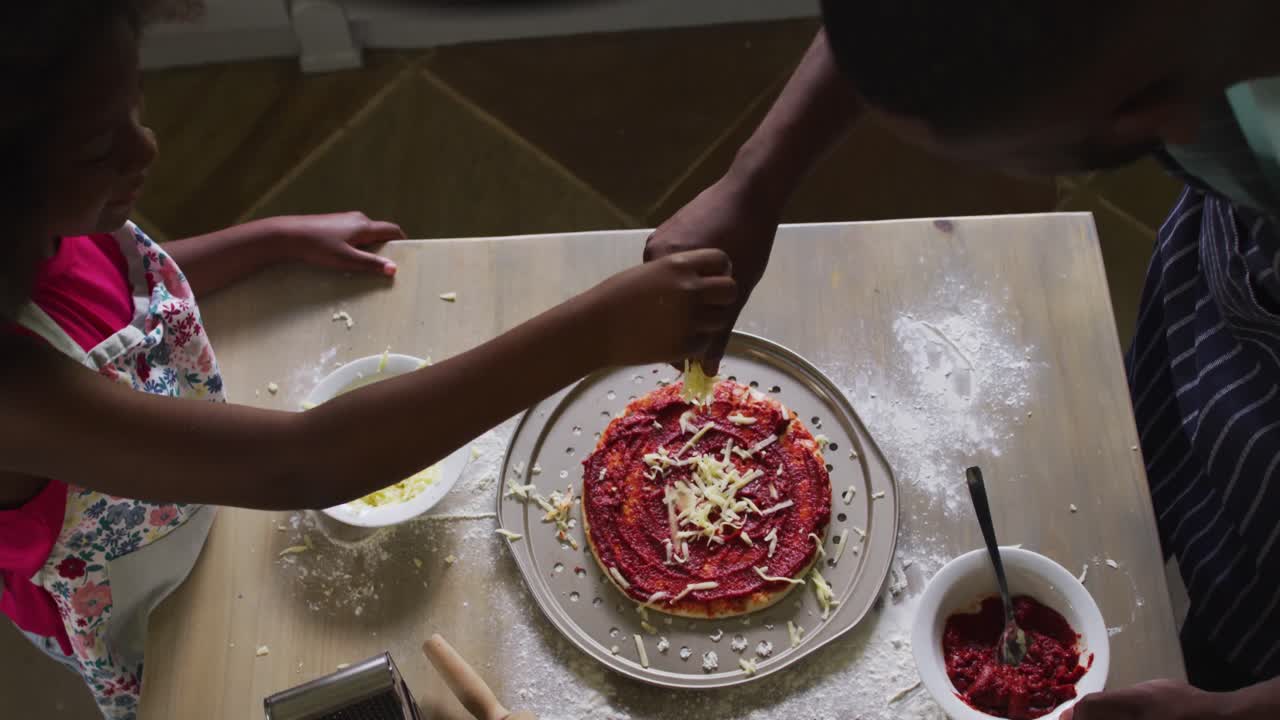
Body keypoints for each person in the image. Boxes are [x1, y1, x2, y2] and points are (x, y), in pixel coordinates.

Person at [0, 3, 737, 717]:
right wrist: (595, 331)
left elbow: (127, 293)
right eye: (100, 145)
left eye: (136, 105)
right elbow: (306, 461)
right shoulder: (16, 397)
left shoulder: (47, 230)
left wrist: (269, 241)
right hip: (140, 598)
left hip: (191, 490)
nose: (145, 148)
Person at [646, 2, 1280, 718]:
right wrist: (757, 181)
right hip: (1223, 278)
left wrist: (1237, 710)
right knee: (1138, 499)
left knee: (1237, 623)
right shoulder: (1161, 50)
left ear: (1159, 119)